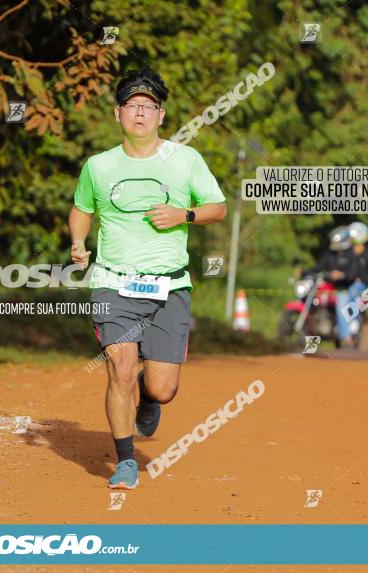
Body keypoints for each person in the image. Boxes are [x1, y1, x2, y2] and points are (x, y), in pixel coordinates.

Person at [68, 68, 227, 490]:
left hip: (169, 287)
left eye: (148, 106)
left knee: (163, 387)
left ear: (161, 115)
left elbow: (218, 208)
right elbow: (82, 208)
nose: (140, 113)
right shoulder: (98, 166)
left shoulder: (186, 160)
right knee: (119, 367)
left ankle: (149, 394)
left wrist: (184, 214)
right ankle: (124, 462)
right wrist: (79, 241)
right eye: (132, 106)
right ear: (118, 113)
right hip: (112, 283)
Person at [312, 226, 359, 345]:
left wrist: (341, 275)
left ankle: (345, 336)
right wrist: (304, 272)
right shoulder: (329, 254)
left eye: (334, 240)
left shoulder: (351, 254)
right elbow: (317, 268)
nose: (331, 242)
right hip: (327, 287)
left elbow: (353, 274)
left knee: (341, 305)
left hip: (344, 288)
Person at [347, 221, 368, 316]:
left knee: (354, 290)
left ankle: (354, 323)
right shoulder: (346, 253)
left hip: (362, 287)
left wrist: (360, 280)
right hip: (345, 284)